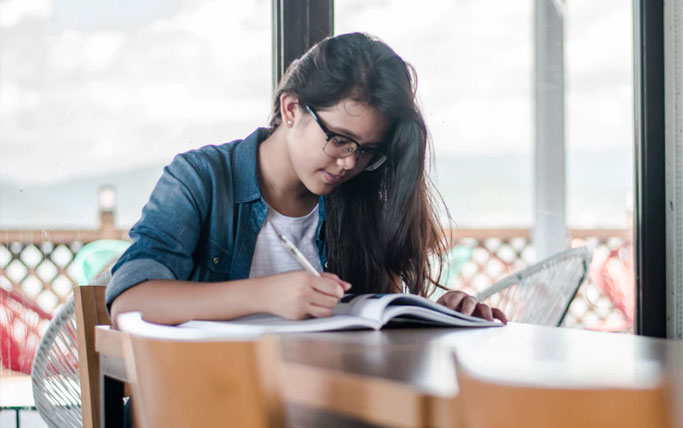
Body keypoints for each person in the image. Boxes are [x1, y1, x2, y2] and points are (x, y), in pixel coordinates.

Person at [107, 32, 507, 325]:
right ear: (292, 108)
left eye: (366, 150)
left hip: (316, 406)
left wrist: (442, 314)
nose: (350, 163)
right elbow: (130, 300)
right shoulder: (200, 179)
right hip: (201, 406)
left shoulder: (357, 197)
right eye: (340, 140)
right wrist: (267, 293)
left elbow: (377, 323)